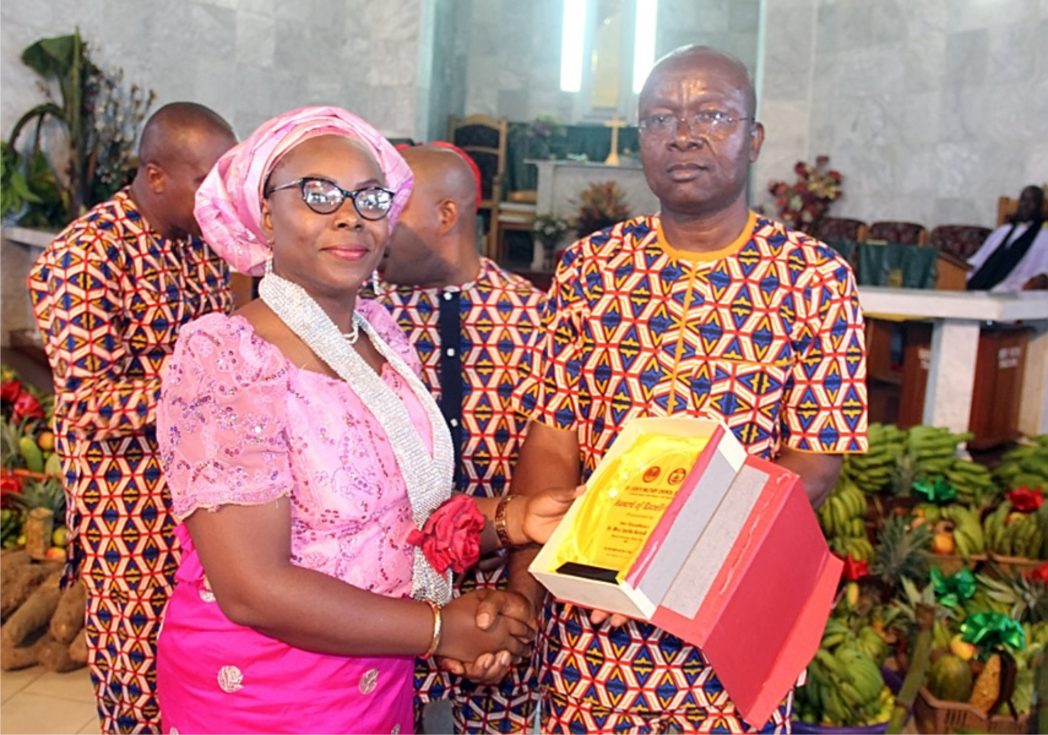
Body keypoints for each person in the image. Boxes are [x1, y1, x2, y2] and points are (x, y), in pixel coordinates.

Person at [154, 106, 578, 734]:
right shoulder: (226, 356)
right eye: (318, 194)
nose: (349, 214)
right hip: (264, 692)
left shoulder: (378, 335)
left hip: (375, 677)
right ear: (266, 210)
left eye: (370, 196)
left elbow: (396, 516)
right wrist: (439, 630)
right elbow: (252, 587)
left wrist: (513, 519)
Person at [508, 45, 868, 733]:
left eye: (713, 114)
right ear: (640, 138)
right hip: (597, 603)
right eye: (660, 118)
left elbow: (817, 459)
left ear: (753, 138)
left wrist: (678, 552)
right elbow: (553, 429)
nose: (683, 134)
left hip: (729, 596)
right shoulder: (592, 266)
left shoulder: (815, 278)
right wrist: (540, 573)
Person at [26, 102, 237, 733]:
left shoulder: (200, 246)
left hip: (206, 497)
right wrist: (211, 385)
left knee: (202, 671)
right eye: (208, 180)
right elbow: (90, 403)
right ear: (155, 174)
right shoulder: (82, 259)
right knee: (138, 677)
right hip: (130, 512)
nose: (219, 197)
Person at [374, 144, 545, 733]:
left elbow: (555, 478)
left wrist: (516, 612)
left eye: (391, 209)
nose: (374, 227)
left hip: (507, 611)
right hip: (385, 610)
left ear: (447, 216)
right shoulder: (362, 320)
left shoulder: (535, 320)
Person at [967, 185, 1048, 291]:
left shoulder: (1044, 237)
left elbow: (1043, 272)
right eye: (1023, 199)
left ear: (1040, 207)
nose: (1025, 205)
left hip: (1016, 289)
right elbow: (976, 261)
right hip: (983, 284)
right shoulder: (1001, 232)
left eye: (1031, 201)